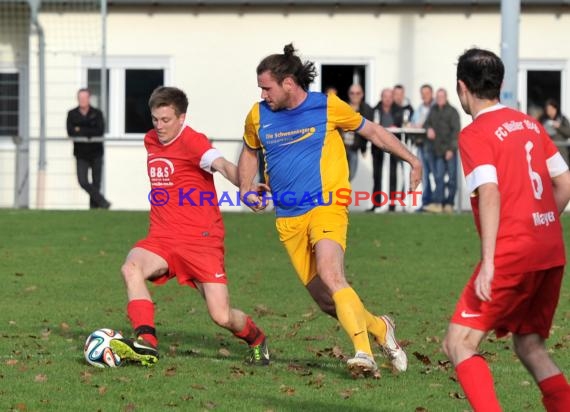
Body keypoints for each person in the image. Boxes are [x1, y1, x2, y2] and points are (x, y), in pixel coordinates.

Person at [238, 44, 422, 377]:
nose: (263, 94)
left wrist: (411, 159)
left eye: (267, 87)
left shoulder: (327, 106)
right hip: (287, 217)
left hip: (327, 203)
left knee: (331, 273)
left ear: (289, 83)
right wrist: (245, 188)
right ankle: (381, 329)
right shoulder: (257, 115)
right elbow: (250, 151)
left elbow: (375, 132)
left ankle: (364, 354)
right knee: (326, 301)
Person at [442, 48, 570, 411]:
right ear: (499, 84)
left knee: (459, 343)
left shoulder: (475, 133)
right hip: (549, 250)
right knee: (529, 345)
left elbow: (490, 191)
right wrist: (540, 223)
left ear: (461, 88)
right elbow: (564, 183)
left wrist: (489, 262)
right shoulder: (530, 124)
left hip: (511, 254)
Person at [110, 86, 270, 367]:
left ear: (182, 118)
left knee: (221, 316)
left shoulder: (194, 142)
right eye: (155, 119)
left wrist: (245, 188)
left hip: (201, 241)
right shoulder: (151, 140)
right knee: (130, 268)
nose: (159, 126)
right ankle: (147, 342)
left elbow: (221, 165)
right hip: (162, 237)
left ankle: (257, 339)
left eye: (166, 120)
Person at [66, 88, 111, 209]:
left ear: (89, 98)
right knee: (83, 181)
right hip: (81, 153)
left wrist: (80, 129)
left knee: (96, 182)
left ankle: (94, 209)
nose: (82, 100)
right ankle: (103, 202)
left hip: (96, 152)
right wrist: (88, 131)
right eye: (80, 98)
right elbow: (71, 132)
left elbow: (99, 131)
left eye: (84, 98)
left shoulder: (97, 113)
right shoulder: (72, 114)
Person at [423, 88, 460, 213]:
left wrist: (451, 149)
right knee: (438, 178)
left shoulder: (453, 111)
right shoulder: (433, 110)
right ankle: (438, 203)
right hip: (437, 151)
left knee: (452, 179)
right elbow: (426, 123)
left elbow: (456, 132)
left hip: (449, 150)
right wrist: (428, 128)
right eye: (438, 97)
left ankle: (449, 204)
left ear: (446, 97)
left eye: (441, 97)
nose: (439, 99)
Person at [369, 88, 399, 212]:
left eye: (389, 96)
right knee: (377, 175)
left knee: (393, 175)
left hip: (393, 147)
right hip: (377, 147)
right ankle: (377, 204)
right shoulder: (374, 111)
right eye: (385, 96)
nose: (387, 99)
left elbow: (403, 125)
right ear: (381, 97)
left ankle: (392, 205)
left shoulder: (399, 111)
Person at [411, 84, 435, 210]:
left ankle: (436, 202)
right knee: (424, 175)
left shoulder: (436, 107)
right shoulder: (419, 109)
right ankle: (426, 202)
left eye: (427, 93)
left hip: (434, 146)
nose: (424, 96)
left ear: (432, 94)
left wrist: (421, 125)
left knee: (436, 174)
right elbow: (413, 123)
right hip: (421, 145)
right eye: (423, 93)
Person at [342, 84, 373, 181]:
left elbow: (369, 130)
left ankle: (343, 195)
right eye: (352, 93)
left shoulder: (367, 109)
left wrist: (364, 148)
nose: (355, 95)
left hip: (355, 147)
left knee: (351, 176)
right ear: (348, 94)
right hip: (341, 147)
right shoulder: (342, 107)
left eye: (357, 93)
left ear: (362, 94)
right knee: (341, 176)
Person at [540, 98, 570, 166]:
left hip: (561, 152)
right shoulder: (543, 119)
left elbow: (568, 133)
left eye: (551, 109)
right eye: (547, 110)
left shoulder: (562, 119)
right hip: (548, 153)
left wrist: (559, 127)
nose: (549, 112)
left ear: (555, 109)